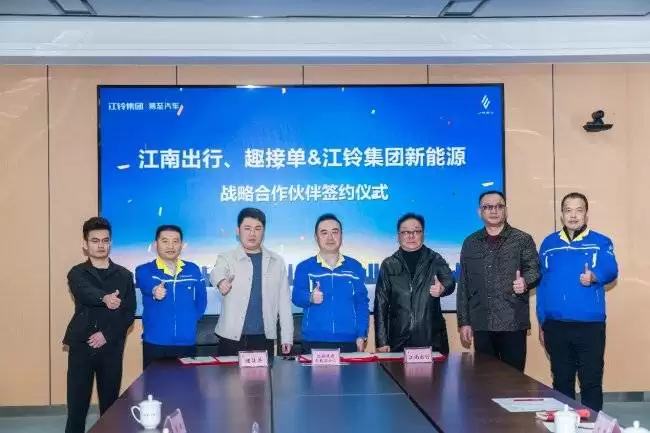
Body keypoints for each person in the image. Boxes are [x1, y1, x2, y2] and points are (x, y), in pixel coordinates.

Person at [537, 192, 618, 412]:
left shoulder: (601, 242)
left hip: (589, 326)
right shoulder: (549, 243)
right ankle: (565, 425)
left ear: (586, 214)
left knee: (591, 381)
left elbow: (611, 269)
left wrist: (594, 276)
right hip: (555, 325)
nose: (573, 215)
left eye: (579, 210)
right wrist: (542, 321)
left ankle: (592, 425)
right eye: (568, 210)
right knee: (561, 382)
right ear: (562, 215)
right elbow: (542, 285)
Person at [63, 217, 136, 433]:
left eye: (105, 240)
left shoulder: (124, 275)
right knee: (77, 407)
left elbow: (128, 313)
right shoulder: (77, 272)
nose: (101, 245)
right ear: (85, 245)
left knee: (110, 407)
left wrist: (106, 335)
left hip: (111, 347)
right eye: (95, 241)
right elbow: (84, 291)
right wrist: (104, 298)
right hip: (81, 347)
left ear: (110, 243)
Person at [456, 191, 539, 372]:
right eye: (488, 207)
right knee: (484, 380)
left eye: (499, 206)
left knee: (513, 380)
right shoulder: (470, 242)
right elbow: (463, 285)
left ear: (505, 210)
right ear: (480, 212)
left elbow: (534, 269)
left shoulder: (522, 239)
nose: (494, 211)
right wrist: (464, 322)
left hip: (513, 322)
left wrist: (525, 282)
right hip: (482, 323)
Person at [210, 208, 293, 357]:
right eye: (247, 228)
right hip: (230, 338)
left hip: (264, 337)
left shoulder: (276, 261)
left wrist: (287, 336)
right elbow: (216, 272)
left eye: (257, 229)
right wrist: (221, 282)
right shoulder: (226, 257)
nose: (252, 234)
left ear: (263, 232)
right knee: (228, 373)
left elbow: (284, 303)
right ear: (238, 231)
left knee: (264, 373)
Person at [374, 213, 455, 354]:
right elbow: (381, 304)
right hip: (398, 339)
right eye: (405, 232)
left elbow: (450, 281)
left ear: (423, 234)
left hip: (431, 337)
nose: (411, 236)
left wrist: (443, 288)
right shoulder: (388, 264)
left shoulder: (434, 259)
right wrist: (382, 341)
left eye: (416, 231)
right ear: (398, 236)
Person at [292, 214, 369, 353]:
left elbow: (361, 303)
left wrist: (361, 334)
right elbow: (296, 297)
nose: (330, 237)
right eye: (324, 233)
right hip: (314, 340)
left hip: (348, 341)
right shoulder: (304, 267)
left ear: (341, 235)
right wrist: (310, 297)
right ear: (316, 237)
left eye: (334, 232)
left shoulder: (354, 267)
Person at [135, 225, 207, 369]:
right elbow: (147, 283)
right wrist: (155, 290)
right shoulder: (144, 270)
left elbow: (201, 300)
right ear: (155, 244)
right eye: (165, 241)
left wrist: (190, 320)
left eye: (175, 241)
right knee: (154, 383)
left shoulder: (193, 269)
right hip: (155, 343)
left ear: (182, 245)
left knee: (187, 383)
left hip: (186, 343)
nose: (170, 246)